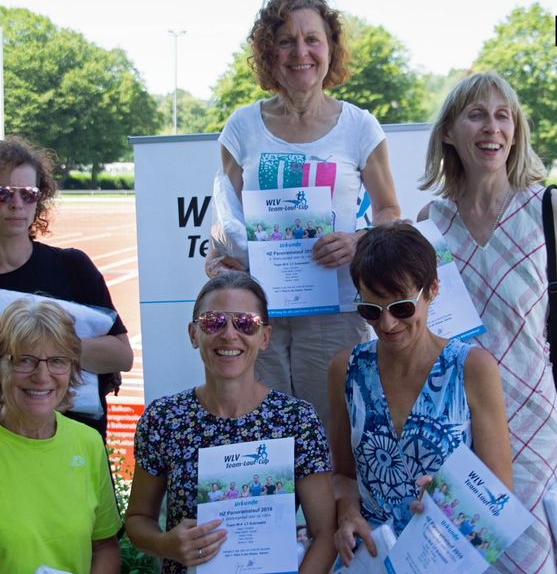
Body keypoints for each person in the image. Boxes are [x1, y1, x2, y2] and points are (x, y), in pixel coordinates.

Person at [418, 71, 557, 572]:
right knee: (460, 555)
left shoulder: (548, 208)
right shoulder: (430, 221)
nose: (491, 127)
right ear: (450, 132)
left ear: (515, 131)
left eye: (502, 116)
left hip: (534, 418)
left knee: (532, 552)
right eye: (476, 114)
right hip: (455, 419)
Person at [206, 0, 400, 430]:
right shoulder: (241, 127)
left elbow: (389, 210)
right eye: (286, 40)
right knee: (263, 429)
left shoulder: (360, 126)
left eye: (312, 39)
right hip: (260, 312)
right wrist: (217, 256)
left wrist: (356, 241)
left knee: (334, 433)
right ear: (267, 53)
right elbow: (227, 216)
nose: (301, 52)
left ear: (330, 48)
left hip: (335, 309)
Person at [125, 271, 336, 573]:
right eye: (213, 322)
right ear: (193, 334)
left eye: (245, 323)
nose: (229, 334)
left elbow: (325, 534)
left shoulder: (296, 421)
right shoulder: (165, 419)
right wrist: (165, 545)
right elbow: (137, 520)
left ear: (264, 337)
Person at [328, 223, 512, 567]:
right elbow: (342, 475)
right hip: (371, 556)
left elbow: (499, 493)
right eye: (370, 309)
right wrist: (348, 513)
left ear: (433, 289)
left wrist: (451, 497)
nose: (386, 324)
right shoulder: (345, 369)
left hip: (446, 557)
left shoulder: (471, 368)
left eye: (401, 308)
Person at [0, 136, 133, 440]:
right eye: (3, 193)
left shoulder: (72, 267)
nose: (16, 204)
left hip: (74, 444)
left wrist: (32, 349)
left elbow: (121, 356)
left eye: (28, 194)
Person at [0, 299, 121, 572]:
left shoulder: (87, 443)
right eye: (25, 360)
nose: (42, 376)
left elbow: (104, 545)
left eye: (57, 361)